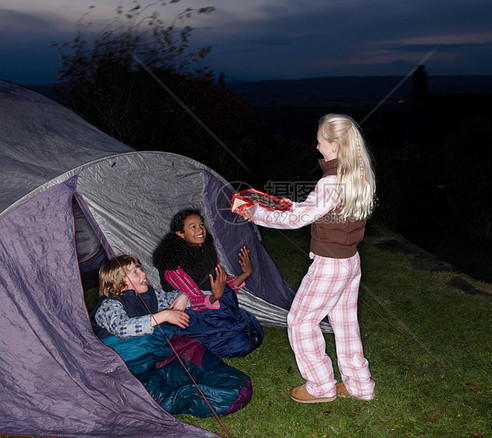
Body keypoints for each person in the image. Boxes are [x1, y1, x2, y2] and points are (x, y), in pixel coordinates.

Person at [242, 113, 377, 404]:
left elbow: (299, 218)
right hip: (350, 261)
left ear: (335, 146)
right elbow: (318, 209)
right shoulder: (359, 174)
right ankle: (359, 385)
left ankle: (320, 385)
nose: (317, 148)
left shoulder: (331, 182)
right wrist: (281, 203)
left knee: (300, 321)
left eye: (320, 143)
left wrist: (257, 213)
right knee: (345, 325)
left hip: (330, 265)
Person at [90, 254, 253, 417]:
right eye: (134, 272)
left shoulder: (148, 296)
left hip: (154, 358)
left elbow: (172, 298)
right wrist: (165, 316)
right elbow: (122, 328)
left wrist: (182, 296)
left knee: (198, 360)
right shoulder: (109, 305)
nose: (143, 274)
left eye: (140, 269)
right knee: (150, 392)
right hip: (124, 365)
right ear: (117, 285)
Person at [152, 209, 263, 358]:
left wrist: (245, 274)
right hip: (192, 314)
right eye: (193, 227)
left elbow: (222, 283)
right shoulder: (172, 265)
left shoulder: (204, 250)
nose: (201, 230)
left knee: (253, 329)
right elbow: (193, 299)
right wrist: (214, 297)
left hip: (217, 303)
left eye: (202, 225)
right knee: (240, 341)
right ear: (180, 234)